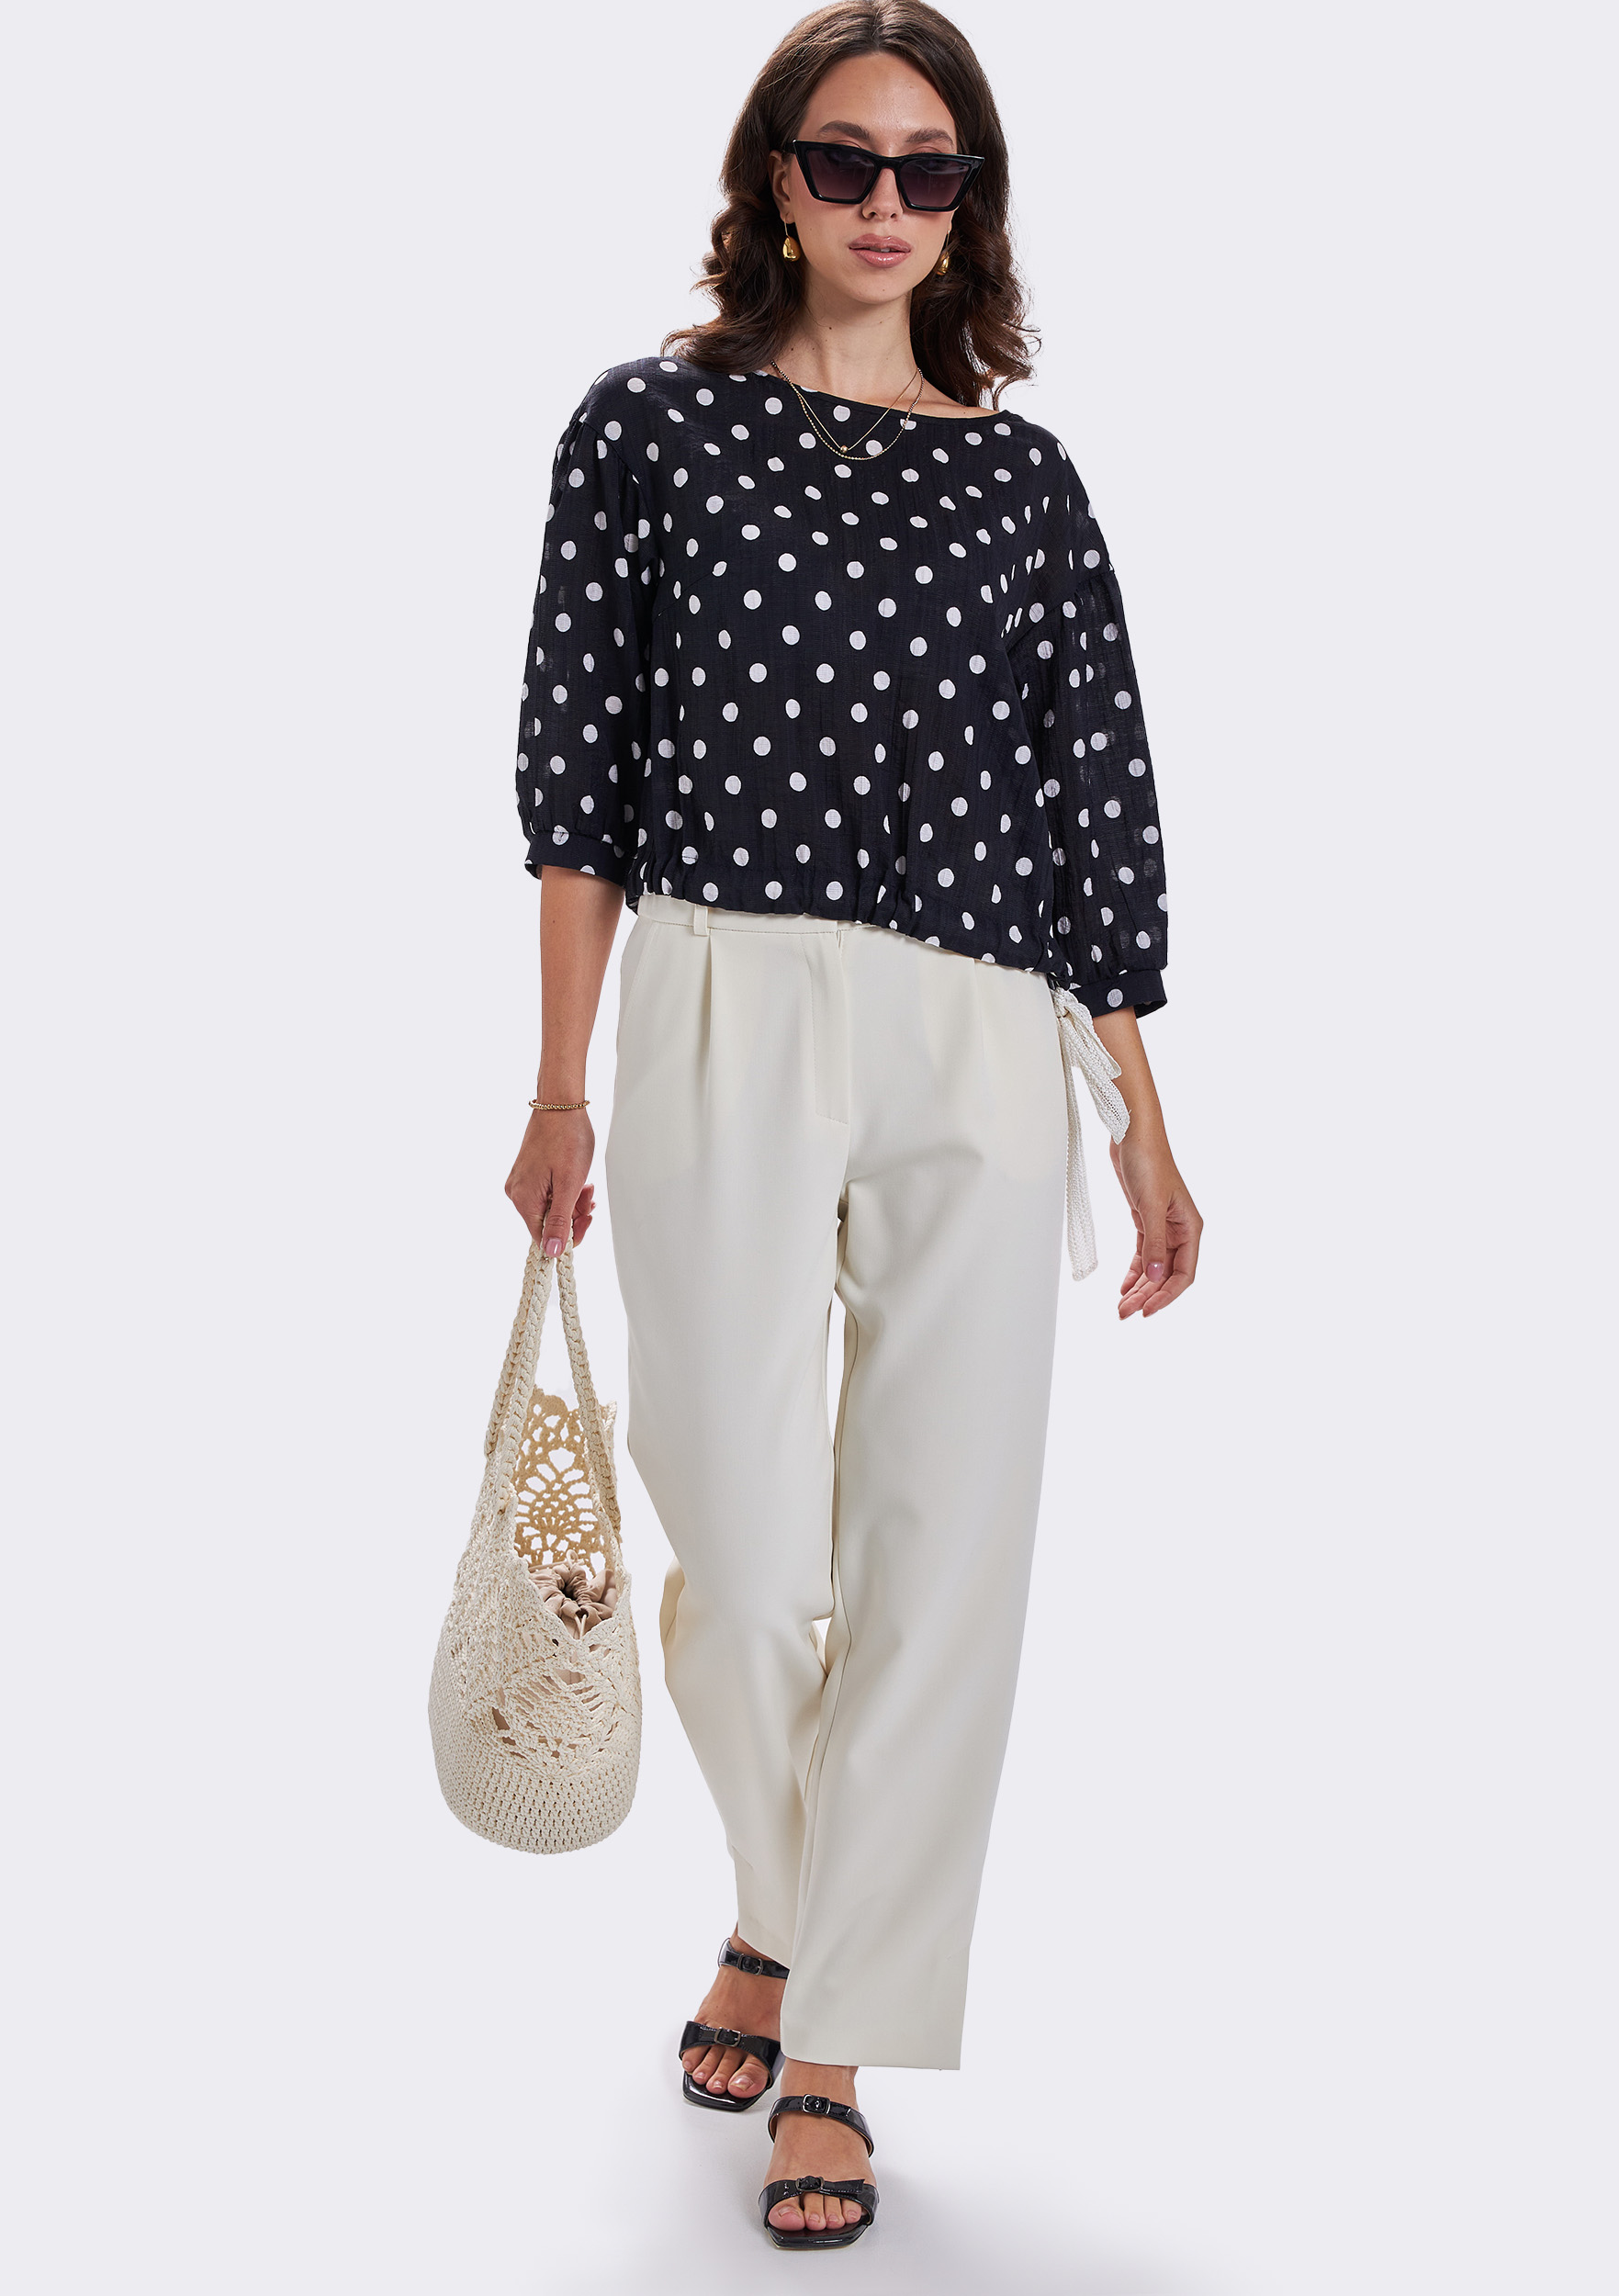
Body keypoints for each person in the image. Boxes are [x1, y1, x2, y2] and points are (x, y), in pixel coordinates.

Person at [503, 0, 1202, 2252]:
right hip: (718, 994)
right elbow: (575, 776)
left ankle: (827, 2034)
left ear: (967, 202)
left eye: (929, 168)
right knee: (740, 1544)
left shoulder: (1024, 484)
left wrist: (1143, 1120)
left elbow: (1095, 810)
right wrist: (555, 1078)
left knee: (940, 1548)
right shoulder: (647, 428)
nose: (886, 203)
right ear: (772, 184)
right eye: (843, 161)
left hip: (980, 1036)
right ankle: (790, 1898)